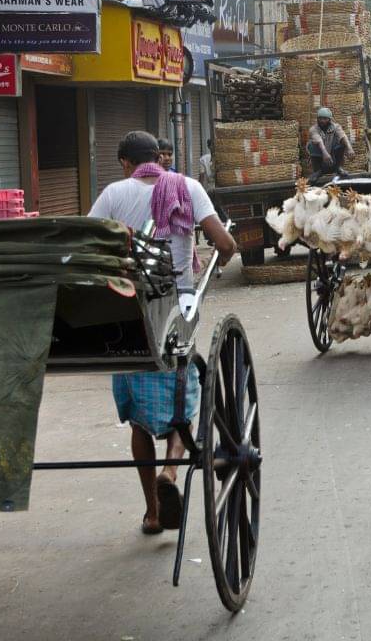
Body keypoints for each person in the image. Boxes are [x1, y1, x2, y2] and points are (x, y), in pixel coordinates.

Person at [88, 131, 238, 535]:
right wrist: (222, 257)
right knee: (179, 396)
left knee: (139, 422)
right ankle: (170, 471)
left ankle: (153, 513)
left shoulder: (114, 193)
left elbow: (88, 242)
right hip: (176, 308)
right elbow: (224, 243)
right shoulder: (186, 187)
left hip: (127, 312)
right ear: (158, 157)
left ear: (126, 163)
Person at [306, 107, 354, 183]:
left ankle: (338, 168)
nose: (322, 121)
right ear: (317, 119)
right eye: (320, 118)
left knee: (342, 142)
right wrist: (325, 153)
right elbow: (318, 140)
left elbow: (342, 136)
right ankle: (317, 171)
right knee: (312, 144)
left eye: (325, 119)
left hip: (332, 155)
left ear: (329, 119)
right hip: (320, 155)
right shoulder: (313, 129)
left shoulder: (336, 127)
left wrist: (349, 148)